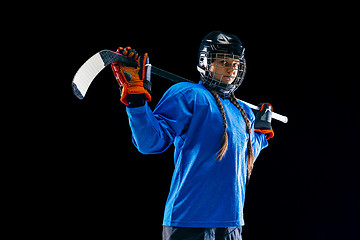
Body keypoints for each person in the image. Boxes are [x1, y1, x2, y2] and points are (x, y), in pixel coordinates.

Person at [111, 31, 274, 240]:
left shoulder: (244, 112)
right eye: (224, 61)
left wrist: (260, 132)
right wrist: (136, 101)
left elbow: (242, 157)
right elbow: (150, 142)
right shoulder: (189, 94)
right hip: (189, 221)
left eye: (235, 63)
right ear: (206, 63)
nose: (231, 68)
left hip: (231, 225)